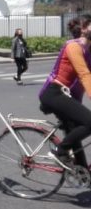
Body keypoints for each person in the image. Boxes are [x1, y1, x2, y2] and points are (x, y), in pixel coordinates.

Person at [38, 15, 91, 169]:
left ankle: (82, 171)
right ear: (83, 29)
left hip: (67, 96)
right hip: (54, 93)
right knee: (89, 122)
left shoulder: (88, 49)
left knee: (75, 130)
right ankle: (60, 151)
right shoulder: (73, 47)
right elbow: (84, 74)